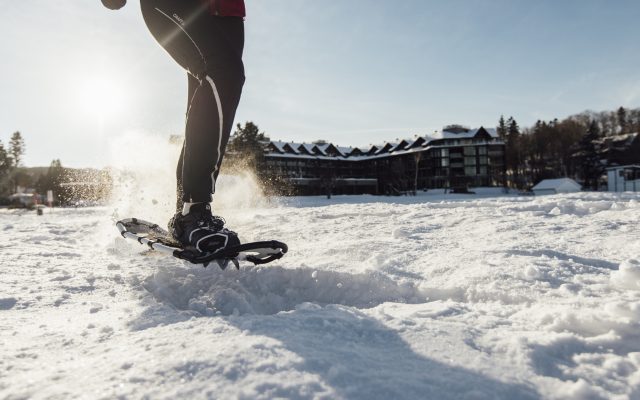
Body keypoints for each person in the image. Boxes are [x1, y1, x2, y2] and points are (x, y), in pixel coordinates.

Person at [102, 0, 245, 253]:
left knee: (216, 91)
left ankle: (187, 215)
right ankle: (194, 210)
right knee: (224, 70)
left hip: (228, 11)